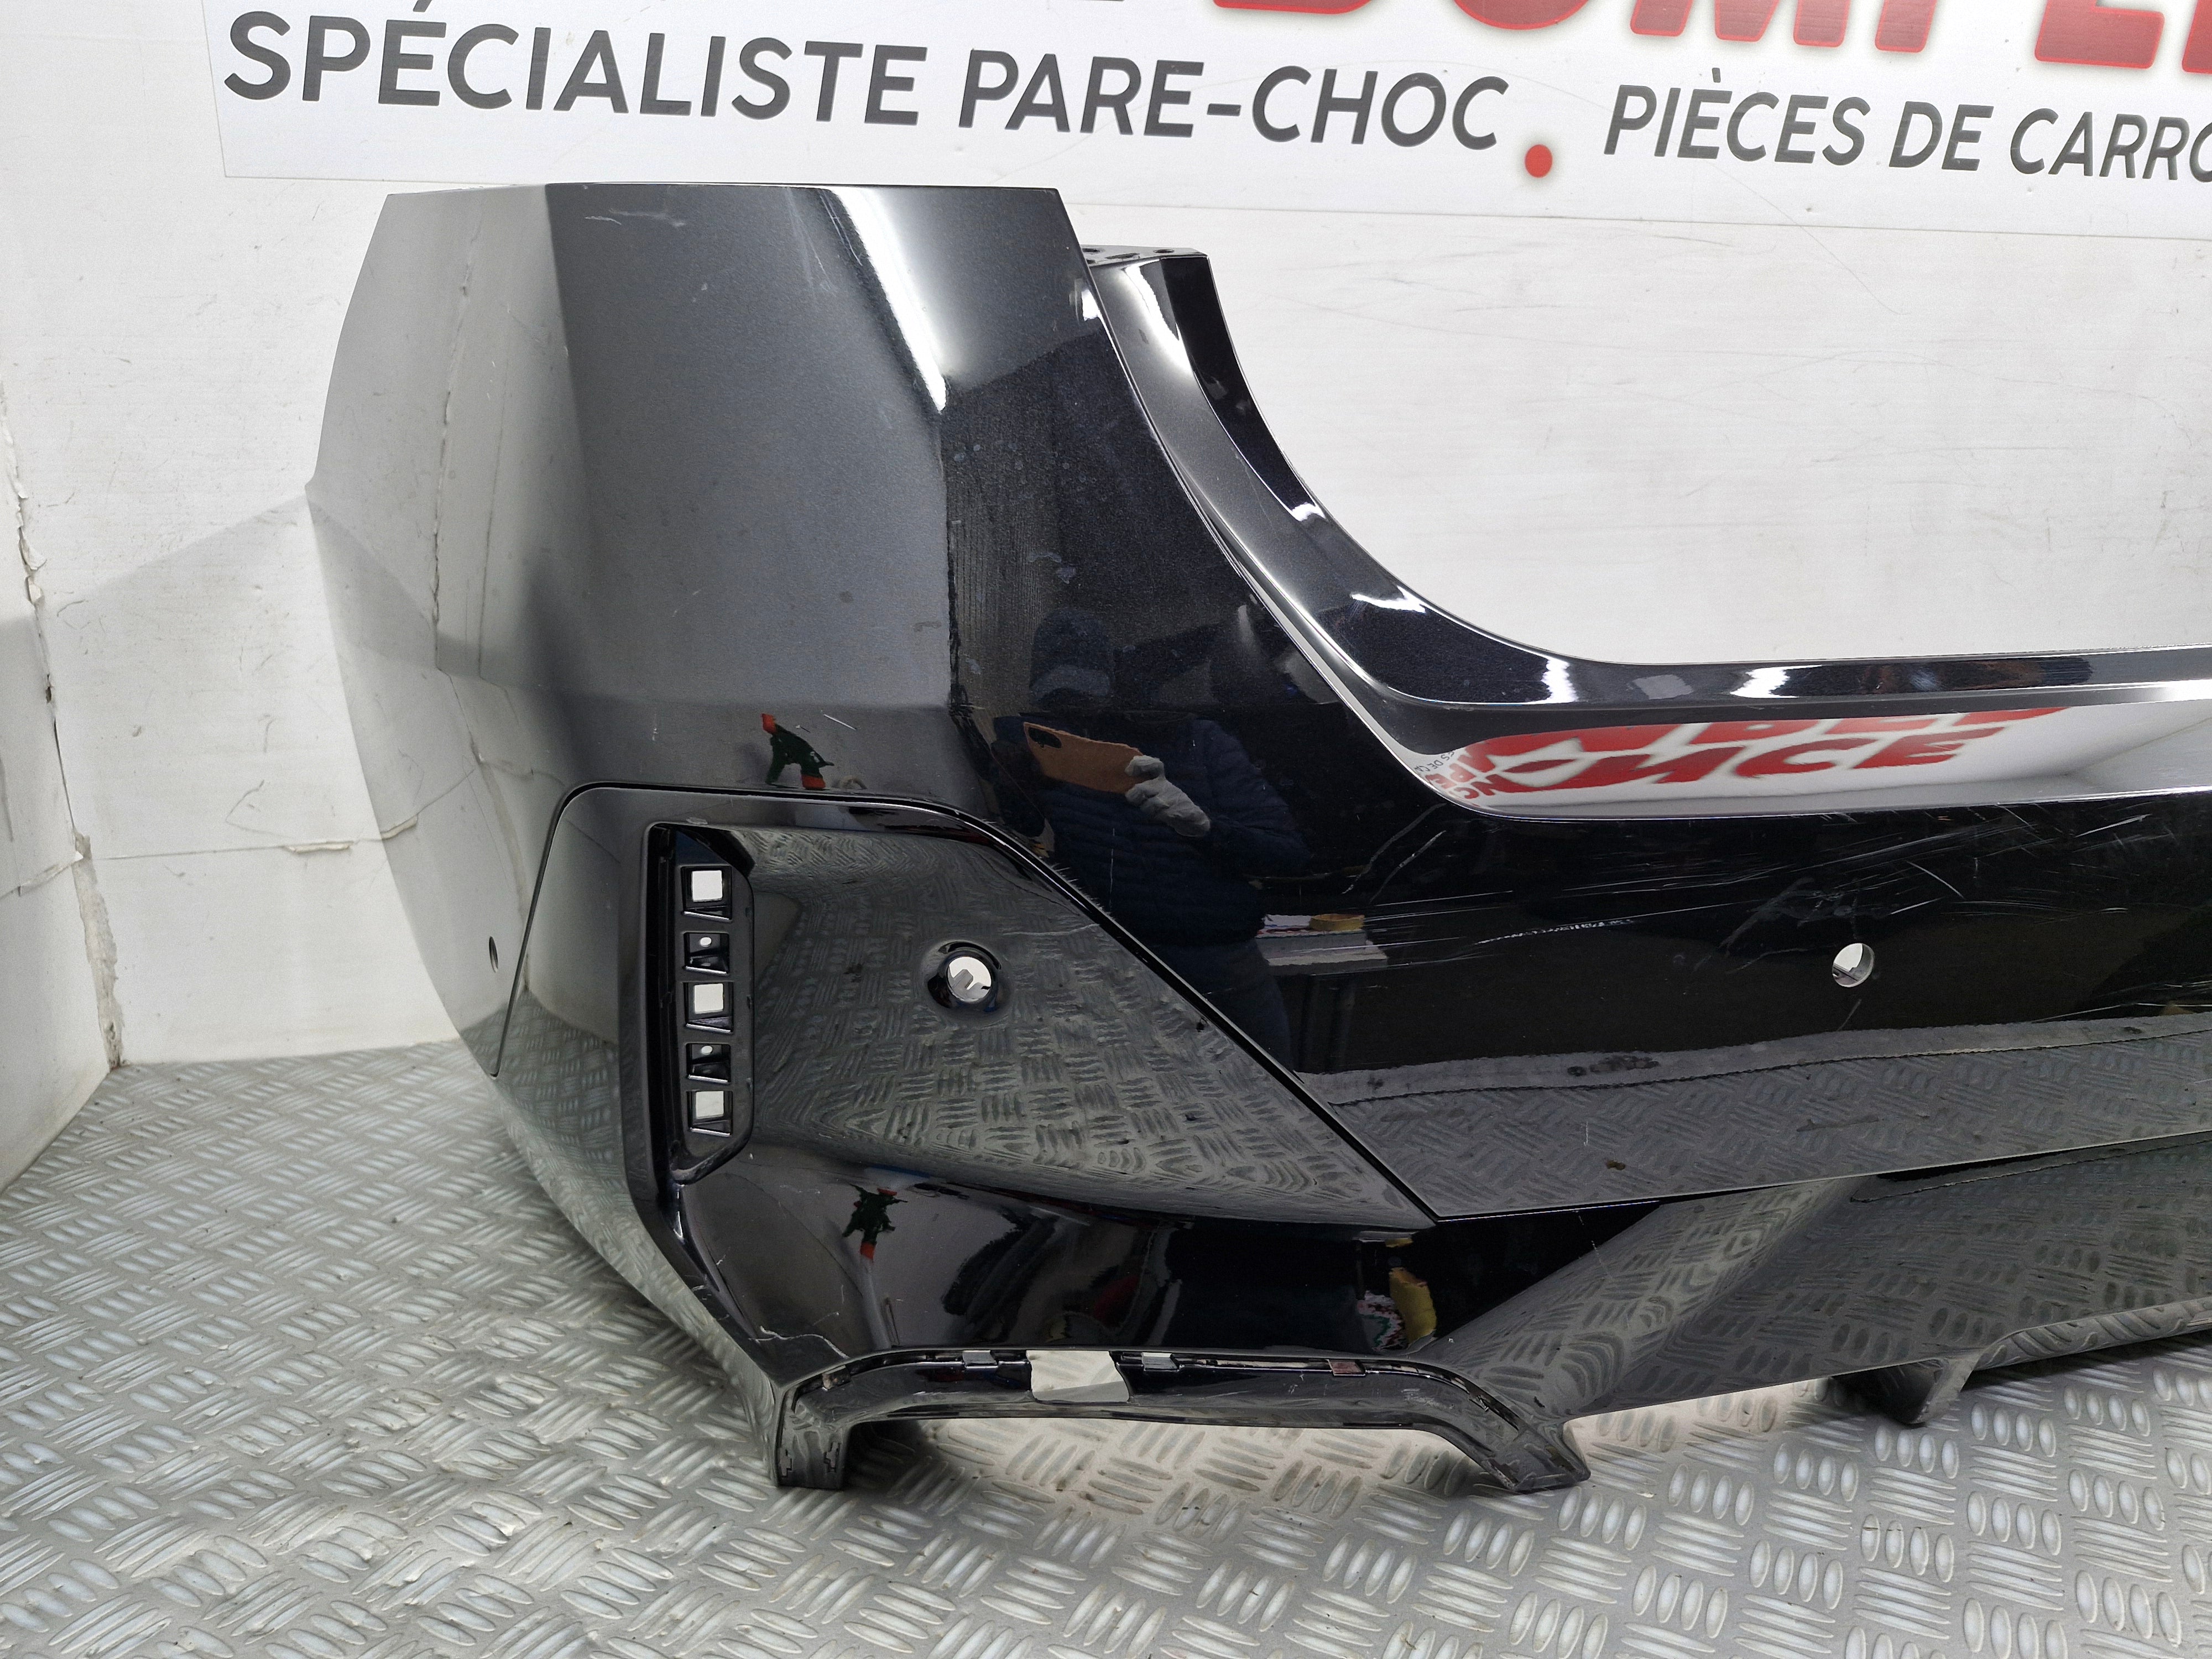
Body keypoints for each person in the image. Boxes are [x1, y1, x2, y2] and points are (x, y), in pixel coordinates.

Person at [993, 609, 1308, 1063]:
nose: (1075, 707)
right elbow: (1023, 839)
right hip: (1102, 964)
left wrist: (1204, 827)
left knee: (1269, 1088)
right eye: (1058, 695)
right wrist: (1013, 783)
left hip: (1217, 962)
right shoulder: (1040, 747)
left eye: (1085, 691)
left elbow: (1288, 855)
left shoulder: (1200, 741)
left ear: (1115, 681)